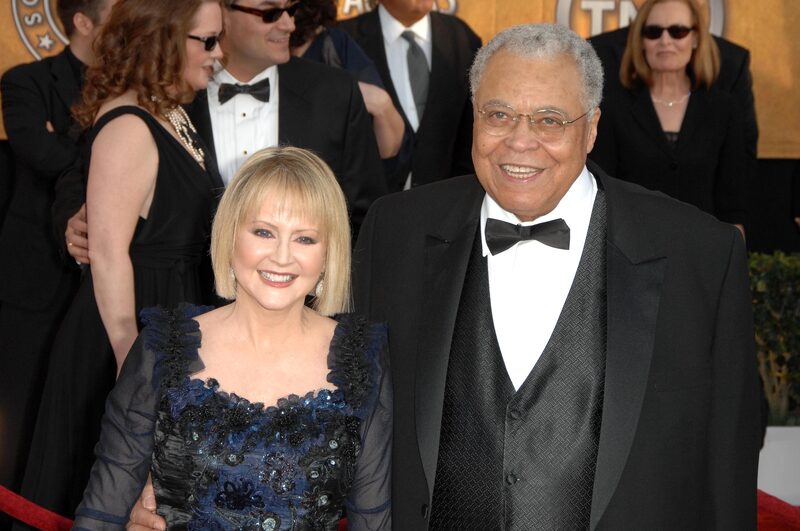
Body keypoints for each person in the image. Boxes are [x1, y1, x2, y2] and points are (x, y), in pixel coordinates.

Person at [130, 22, 761, 531]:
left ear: (592, 127)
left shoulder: (698, 255)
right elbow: (311, 377)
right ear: (473, 120)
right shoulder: (397, 231)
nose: (520, 142)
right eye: (499, 115)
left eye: (549, 119)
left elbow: (728, 463)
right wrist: (184, 484)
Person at [73, 146, 392, 530]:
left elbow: (375, 519)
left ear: (329, 253)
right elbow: (102, 511)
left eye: (305, 239)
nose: (282, 256)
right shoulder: (164, 346)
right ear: (230, 235)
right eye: (263, 232)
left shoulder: (362, 359)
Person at [15, 0, 225, 522]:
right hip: (128, 331)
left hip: (173, 314)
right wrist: (135, 365)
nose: (219, 55)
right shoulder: (128, 124)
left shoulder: (173, 112)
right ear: (163, 40)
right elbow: (108, 256)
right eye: (207, 41)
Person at [61, 0, 387, 264]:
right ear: (221, 13)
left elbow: (365, 216)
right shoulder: (161, 94)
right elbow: (80, 182)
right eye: (270, 12)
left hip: (300, 314)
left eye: (291, 10)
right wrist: (78, 225)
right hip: (180, 309)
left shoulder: (334, 92)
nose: (288, 24)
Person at [0, 0, 114, 496]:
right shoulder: (26, 81)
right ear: (82, 22)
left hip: (102, 276)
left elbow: (57, 152)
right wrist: (110, 154)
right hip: (35, 278)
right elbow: (37, 153)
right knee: (20, 412)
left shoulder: (131, 86)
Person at [589, 0, 748, 235]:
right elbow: (602, 193)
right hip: (633, 247)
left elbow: (733, 205)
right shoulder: (614, 108)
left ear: (695, 39)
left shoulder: (723, 109)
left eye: (678, 31)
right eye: (653, 32)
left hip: (702, 250)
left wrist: (733, 267)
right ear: (641, 41)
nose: (665, 41)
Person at [339, 0, 481, 191]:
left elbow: (469, 139)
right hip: (367, 207)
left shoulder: (462, 38)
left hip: (441, 205)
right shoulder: (343, 41)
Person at [290, 0, 407, 161]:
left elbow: (389, 147)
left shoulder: (333, 44)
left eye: (287, 9)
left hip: (331, 180)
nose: (284, 22)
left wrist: (380, 102)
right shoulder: (254, 58)